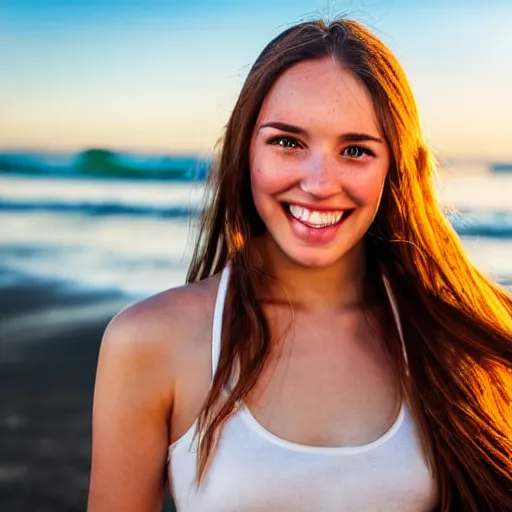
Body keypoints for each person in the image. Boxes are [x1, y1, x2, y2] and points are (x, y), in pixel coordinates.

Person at [87, 17, 512, 512]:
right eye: (288, 142)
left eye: (355, 150)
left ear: (394, 167)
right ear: (246, 150)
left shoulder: (464, 338)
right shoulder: (148, 341)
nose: (319, 182)